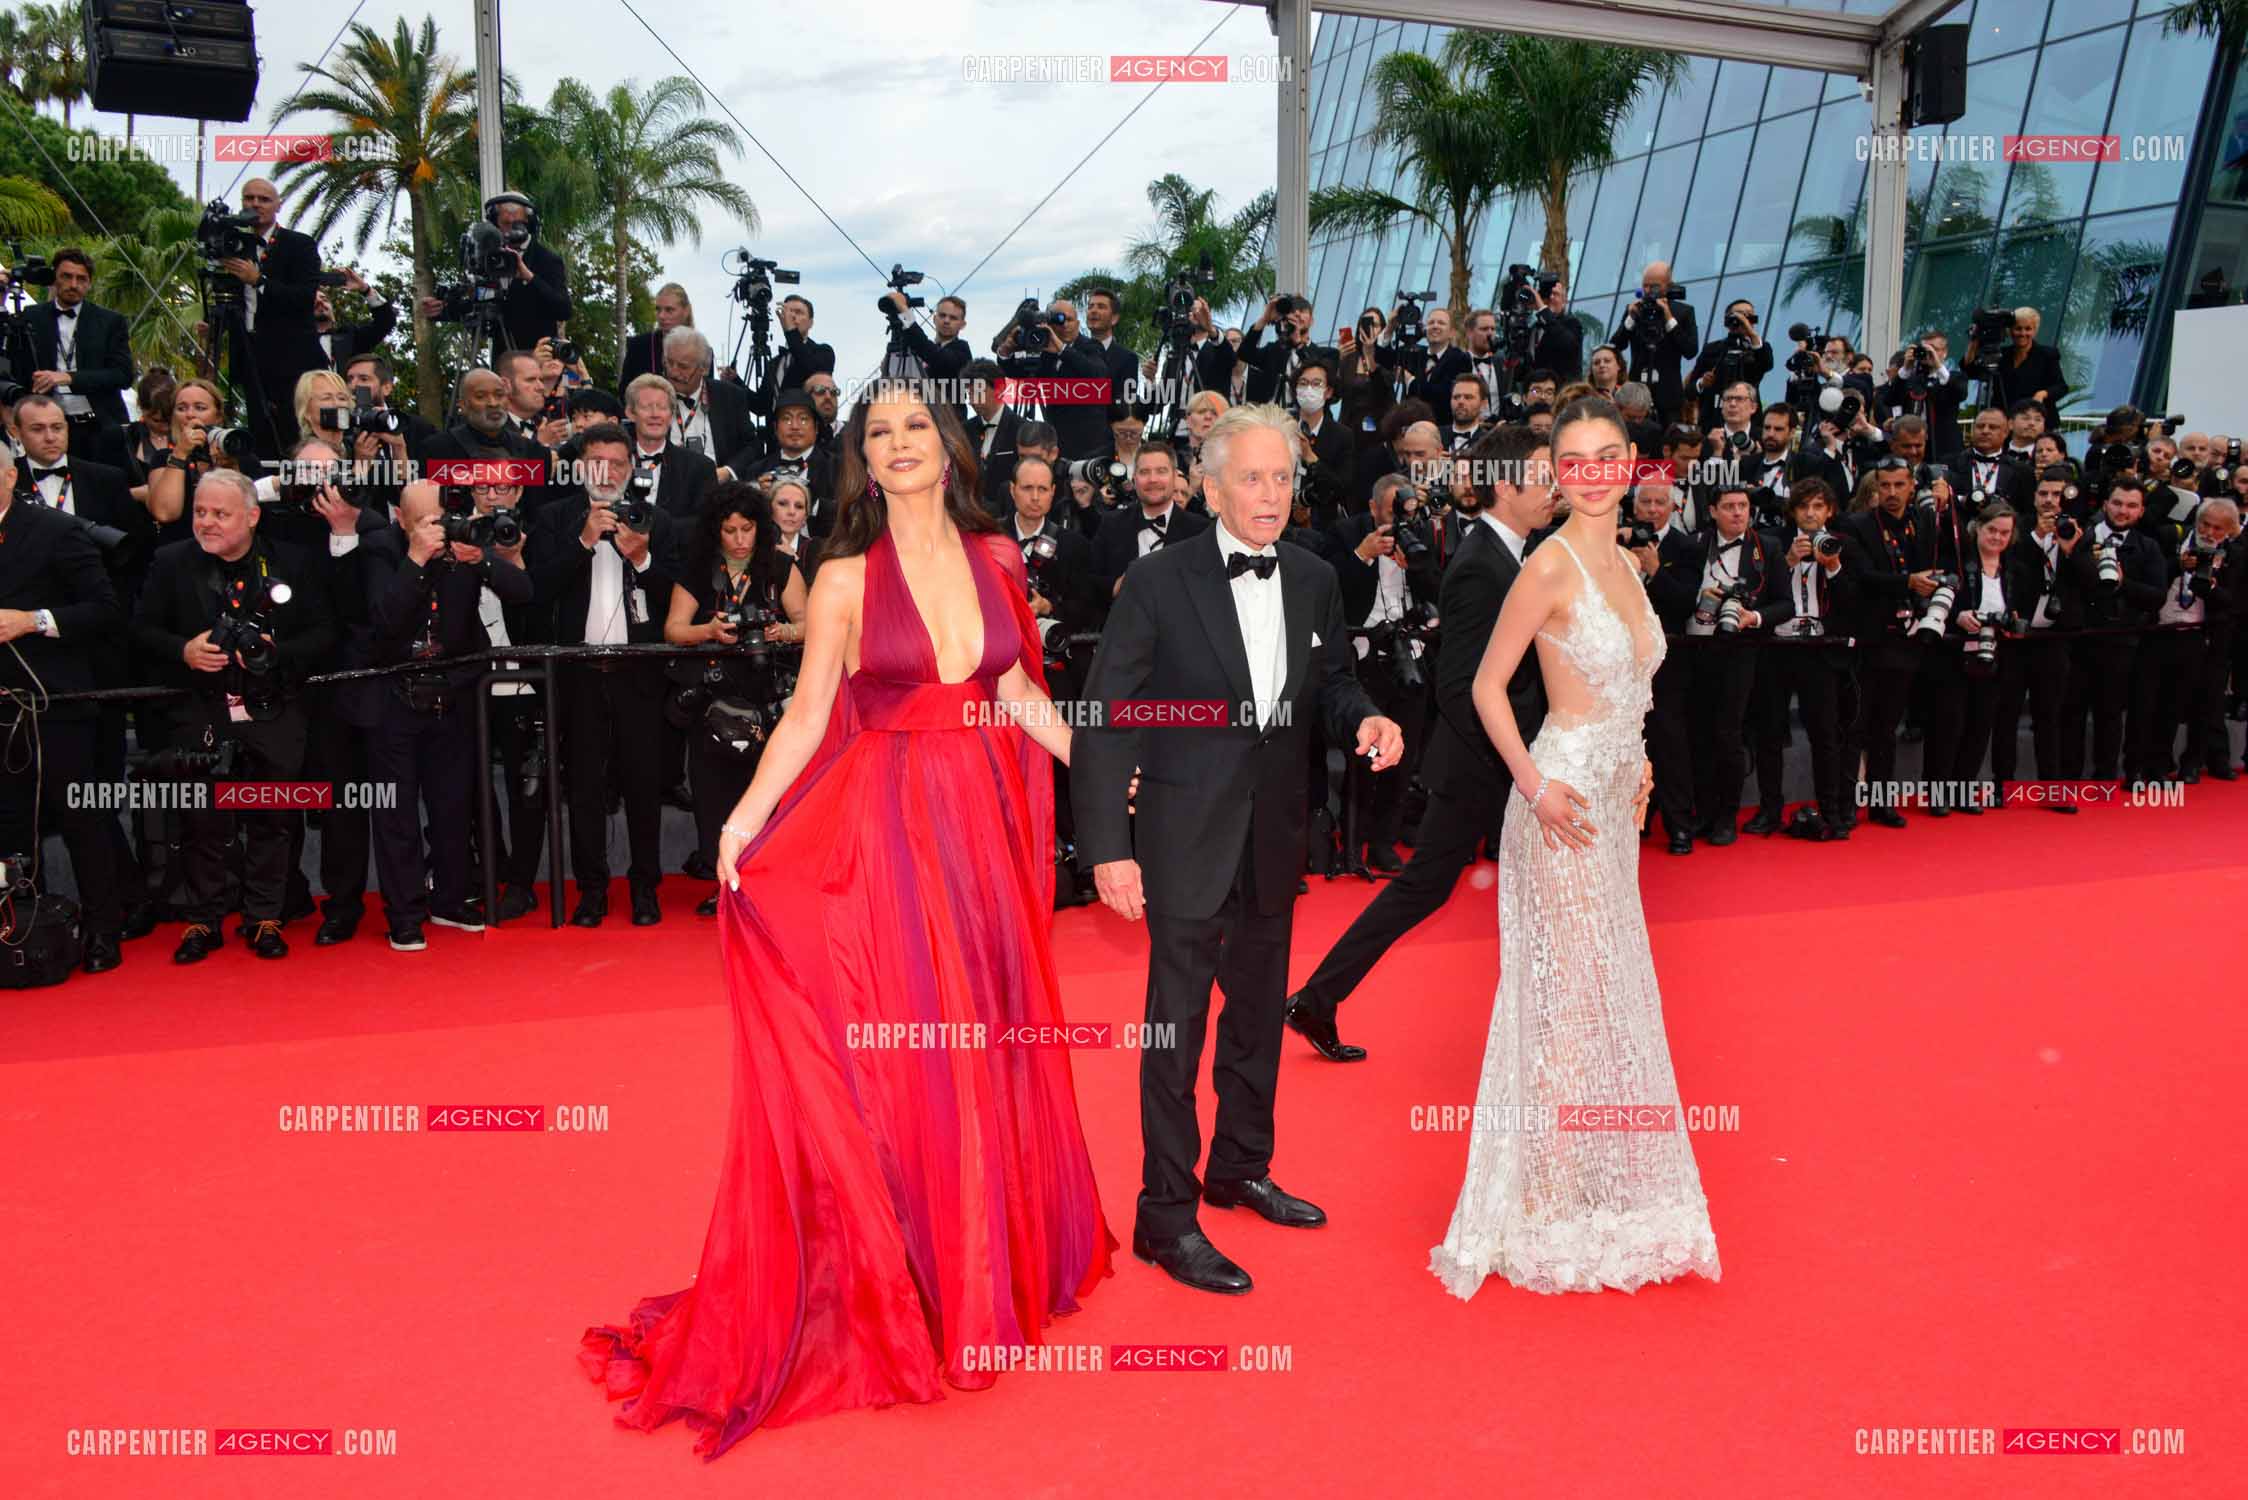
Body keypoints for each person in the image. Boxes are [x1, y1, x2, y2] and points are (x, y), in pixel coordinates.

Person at [581, 383, 1112, 1456]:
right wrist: (742, 821)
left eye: (917, 426)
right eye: (879, 432)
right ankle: (912, 1276)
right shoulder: (841, 578)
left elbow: (1020, 698)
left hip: (983, 833)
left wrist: (1107, 782)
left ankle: (981, 1265)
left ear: (949, 448)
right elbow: (808, 714)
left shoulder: (999, 558)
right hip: (890, 830)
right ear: (862, 461)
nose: (900, 443)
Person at [1073, 403, 1400, 1296]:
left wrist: (1365, 716)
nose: (1270, 493)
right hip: (1182, 837)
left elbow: (1332, 683)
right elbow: (1104, 717)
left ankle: (1239, 1168)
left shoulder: (1314, 577)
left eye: (1282, 477)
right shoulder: (1157, 581)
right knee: (1175, 1036)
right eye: (1251, 477)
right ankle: (1165, 1215)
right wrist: (1107, 847)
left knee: (1256, 1019)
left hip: (1274, 835)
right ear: (1210, 488)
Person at [1432, 393, 1719, 1297]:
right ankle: (1543, 1200)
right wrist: (1533, 784)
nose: (1593, 476)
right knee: (1563, 996)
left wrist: (1639, 761)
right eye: (1574, 461)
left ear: (1632, 463)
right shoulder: (1548, 566)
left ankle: (1566, 1179)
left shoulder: (1628, 563)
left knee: (1598, 986)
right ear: (1557, 473)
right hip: (1559, 807)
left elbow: (1631, 685)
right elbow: (1485, 687)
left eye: (1608, 457)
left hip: (1613, 806)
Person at [1284, 422, 1561, 1060]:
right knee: (1447, 889)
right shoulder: (1481, 565)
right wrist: (1520, 765)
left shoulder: (1516, 554)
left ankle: (1317, 999)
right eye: (1544, 476)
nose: (1556, 488)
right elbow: (1460, 687)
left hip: (1496, 763)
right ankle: (1318, 999)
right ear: (1505, 486)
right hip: (1484, 767)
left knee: (1441, 889)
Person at [661, 483, 807, 916]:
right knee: (713, 797)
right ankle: (723, 884)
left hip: (768, 696)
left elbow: (810, 622)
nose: (740, 539)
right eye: (730, 530)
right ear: (716, 530)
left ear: (760, 526)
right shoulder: (697, 568)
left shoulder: (780, 566)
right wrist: (708, 631)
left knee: (769, 792)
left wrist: (783, 631)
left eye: (747, 529)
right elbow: (673, 629)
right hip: (712, 698)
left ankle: (768, 884)